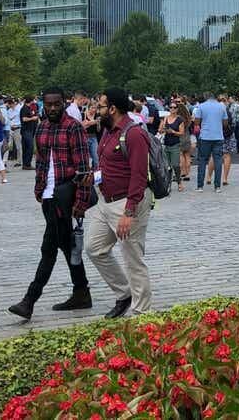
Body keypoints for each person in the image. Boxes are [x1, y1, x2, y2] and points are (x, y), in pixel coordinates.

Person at [8, 88, 93, 321]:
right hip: (47, 195)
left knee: (49, 248)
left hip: (65, 195)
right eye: (49, 104)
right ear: (43, 105)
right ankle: (81, 291)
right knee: (65, 244)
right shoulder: (42, 127)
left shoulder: (73, 127)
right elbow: (41, 162)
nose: (53, 108)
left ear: (64, 103)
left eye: (57, 104)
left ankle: (29, 300)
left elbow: (84, 168)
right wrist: (38, 188)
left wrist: (81, 201)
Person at [88, 89, 152, 318]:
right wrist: (94, 176)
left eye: (100, 106)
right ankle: (125, 293)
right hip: (105, 201)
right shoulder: (107, 131)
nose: (96, 110)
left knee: (133, 259)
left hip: (127, 202)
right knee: (94, 248)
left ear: (113, 109)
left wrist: (129, 212)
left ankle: (141, 313)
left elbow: (139, 175)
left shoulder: (134, 134)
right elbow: (107, 164)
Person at [193, 91, 227, 193]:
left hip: (205, 136)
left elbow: (197, 122)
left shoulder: (201, 106)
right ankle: (217, 186)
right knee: (218, 161)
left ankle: (200, 186)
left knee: (202, 160)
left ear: (205, 97)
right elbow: (225, 122)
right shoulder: (222, 106)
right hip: (218, 136)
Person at [162, 103, 186, 193]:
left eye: (174, 107)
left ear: (177, 109)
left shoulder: (180, 120)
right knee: (167, 166)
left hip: (175, 144)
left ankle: (179, 182)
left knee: (175, 165)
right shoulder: (166, 118)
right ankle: (168, 184)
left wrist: (173, 132)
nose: (172, 109)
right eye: (170, 107)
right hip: (166, 144)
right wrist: (163, 130)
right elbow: (161, 129)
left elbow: (182, 133)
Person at [20, 96, 40, 170]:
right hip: (26, 131)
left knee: (27, 147)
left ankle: (26, 164)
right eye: (33, 100)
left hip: (30, 130)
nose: (34, 102)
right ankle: (27, 164)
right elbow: (24, 119)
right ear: (31, 101)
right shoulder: (24, 109)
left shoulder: (29, 108)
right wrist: (32, 118)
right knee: (29, 147)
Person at [4, 97, 22, 167]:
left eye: (10, 104)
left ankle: (19, 161)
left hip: (17, 128)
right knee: (8, 145)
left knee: (18, 146)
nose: (9, 105)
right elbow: (8, 120)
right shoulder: (9, 111)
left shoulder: (19, 109)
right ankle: (4, 161)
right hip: (10, 129)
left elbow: (21, 120)